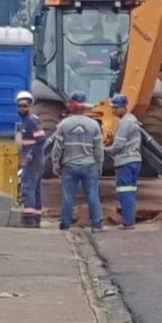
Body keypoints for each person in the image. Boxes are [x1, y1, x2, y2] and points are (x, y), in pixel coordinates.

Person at [50, 91, 104, 232]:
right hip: (89, 165)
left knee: (68, 195)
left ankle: (65, 224)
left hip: (70, 165)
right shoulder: (94, 125)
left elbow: (57, 147)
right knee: (92, 194)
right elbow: (98, 149)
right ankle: (97, 224)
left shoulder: (64, 125)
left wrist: (55, 163)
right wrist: (99, 165)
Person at [105, 94, 142, 230]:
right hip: (135, 160)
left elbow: (118, 145)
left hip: (125, 161)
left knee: (125, 192)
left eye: (115, 108)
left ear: (122, 107)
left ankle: (128, 222)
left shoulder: (125, 122)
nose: (113, 111)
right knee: (130, 192)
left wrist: (105, 150)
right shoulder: (132, 119)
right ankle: (129, 220)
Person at [15, 91, 46, 228]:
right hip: (34, 158)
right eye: (20, 106)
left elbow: (41, 139)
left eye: (25, 106)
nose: (22, 108)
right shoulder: (26, 121)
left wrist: (30, 155)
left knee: (28, 187)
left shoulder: (31, 121)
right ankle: (36, 217)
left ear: (30, 106)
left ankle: (29, 219)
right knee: (36, 189)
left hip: (33, 159)